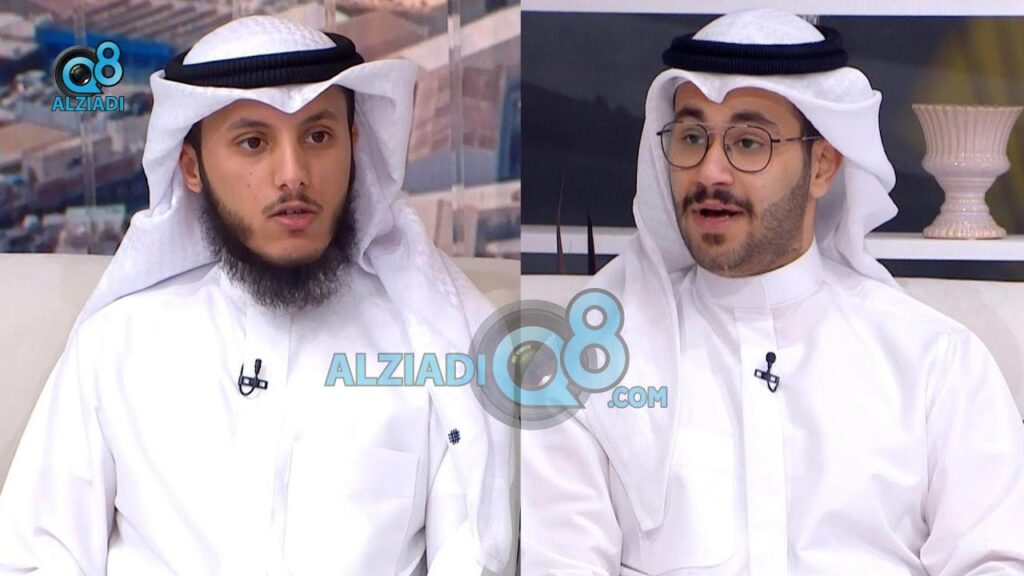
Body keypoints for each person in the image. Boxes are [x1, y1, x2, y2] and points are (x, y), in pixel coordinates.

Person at [0, 16, 513, 575]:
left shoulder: (434, 353)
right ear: (192, 169)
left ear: (354, 147)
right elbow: (36, 555)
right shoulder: (116, 347)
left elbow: (472, 554)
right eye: (253, 142)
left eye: (318, 137)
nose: (292, 175)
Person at [521, 9, 1024, 575]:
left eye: (748, 142)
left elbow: (996, 560)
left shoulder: (935, 363)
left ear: (823, 165)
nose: (710, 172)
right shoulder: (582, 369)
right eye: (692, 138)